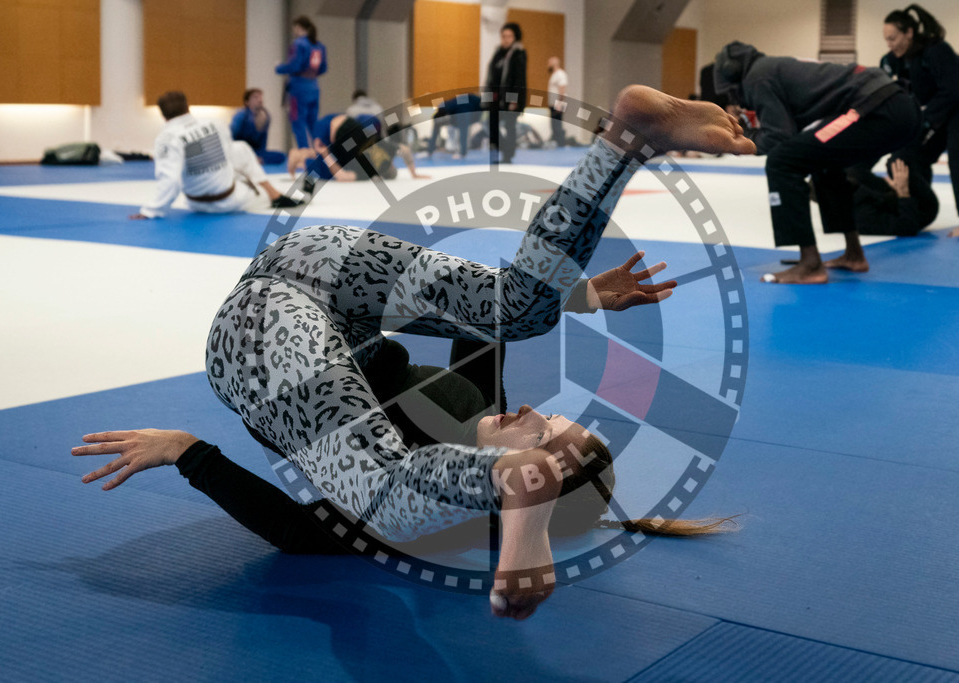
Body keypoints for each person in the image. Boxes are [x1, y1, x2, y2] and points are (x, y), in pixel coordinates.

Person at [77, 85, 755, 620]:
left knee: (391, 499)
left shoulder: (422, 508)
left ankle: (624, 143)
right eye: (552, 419)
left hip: (259, 338)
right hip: (317, 273)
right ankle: (626, 139)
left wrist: (186, 451)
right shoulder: (479, 404)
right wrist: (577, 298)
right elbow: (488, 319)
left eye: (543, 437)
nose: (532, 412)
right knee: (514, 307)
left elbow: (296, 531)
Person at [714, 41, 921, 283]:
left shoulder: (757, 78)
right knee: (823, 162)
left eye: (732, 92)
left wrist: (736, 141)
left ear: (734, 73)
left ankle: (810, 264)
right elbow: (793, 132)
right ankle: (854, 254)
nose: (737, 99)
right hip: (897, 107)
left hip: (876, 108)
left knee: (781, 161)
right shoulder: (771, 67)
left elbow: (779, 137)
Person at [881, 5, 959, 238]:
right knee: (904, 157)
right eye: (886, 40)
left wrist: (925, 122)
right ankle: (921, 208)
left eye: (894, 38)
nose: (890, 44)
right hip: (938, 108)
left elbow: (951, 93)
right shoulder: (894, 59)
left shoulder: (937, 51)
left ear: (909, 33)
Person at [130, 91, 301, 220]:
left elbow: (170, 180)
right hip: (231, 200)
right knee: (241, 150)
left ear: (163, 115)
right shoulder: (214, 124)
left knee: (239, 148)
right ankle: (274, 195)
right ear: (187, 107)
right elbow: (227, 157)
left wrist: (151, 210)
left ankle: (272, 194)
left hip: (195, 202)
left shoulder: (166, 138)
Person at [287, 113, 430, 190]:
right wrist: (325, 153)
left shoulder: (387, 150)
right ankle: (302, 157)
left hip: (341, 121)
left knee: (325, 163)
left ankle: (302, 157)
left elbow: (405, 150)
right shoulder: (367, 172)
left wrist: (413, 173)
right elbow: (342, 176)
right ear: (381, 175)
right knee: (322, 167)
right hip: (334, 133)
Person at [852, 157, 939, 237]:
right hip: (919, 207)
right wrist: (903, 191)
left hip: (887, 193)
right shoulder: (862, 218)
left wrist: (887, 183)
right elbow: (907, 227)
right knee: (898, 161)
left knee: (853, 166)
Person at [276, 16, 327, 150]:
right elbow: (323, 68)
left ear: (298, 27)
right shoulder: (319, 45)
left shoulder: (298, 44)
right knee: (313, 123)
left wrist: (279, 68)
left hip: (299, 88)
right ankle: (320, 153)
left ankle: (304, 155)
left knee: (297, 122)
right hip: (314, 87)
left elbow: (294, 66)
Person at [485, 22, 527, 164]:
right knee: (491, 124)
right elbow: (490, 77)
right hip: (496, 98)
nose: (506, 39)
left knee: (510, 127)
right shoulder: (497, 53)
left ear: (515, 37)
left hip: (510, 98)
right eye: (504, 36)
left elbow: (518, 80)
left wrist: (513, 101)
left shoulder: (518, 54)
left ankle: (508, 156)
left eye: (509, 36)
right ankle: (500, 150)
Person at [230, 88, 285, 165]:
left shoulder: (266, 116)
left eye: (261, 97)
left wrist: (260, 155)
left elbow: (263, 141)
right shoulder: (240, 116)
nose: (260, 100)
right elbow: (232, 137)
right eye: (255, 97)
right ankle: (251, 160)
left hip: (256, 151)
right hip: (240, 151)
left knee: (281, 156)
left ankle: (256, 160)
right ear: (247, 102)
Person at [427, 93, 483, 159]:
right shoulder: (451, 107)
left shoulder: (457, 109)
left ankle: (462, 153)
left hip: (466, 110)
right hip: (465, 109)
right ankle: (430, 151)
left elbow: (463, 130)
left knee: (463, 127)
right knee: (440, 124)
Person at [547, 57, 568, 148]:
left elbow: (562, 88)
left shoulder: (560, 74)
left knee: (557, 123)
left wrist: (560, 102)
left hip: (558, 103)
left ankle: (560, 144)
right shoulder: (554, 74)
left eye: (549, 62)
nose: (547, 64)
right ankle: (556, 142)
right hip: (553, 104)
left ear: (554, 63)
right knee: (554, 124)